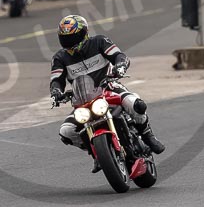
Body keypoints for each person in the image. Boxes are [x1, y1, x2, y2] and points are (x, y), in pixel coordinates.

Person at [50, 14, 165, 172]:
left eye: (73, 37)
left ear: (83, 33)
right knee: (66, 131)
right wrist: (56, 91)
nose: (69, 42)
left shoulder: (99, 42)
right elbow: (56, 79)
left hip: (109, 88)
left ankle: (148, 136)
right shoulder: (60, 57)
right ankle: (96, 153)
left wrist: (120, 66)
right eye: (65, 38)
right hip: (83, 100)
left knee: (135, 104)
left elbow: (119, 56)